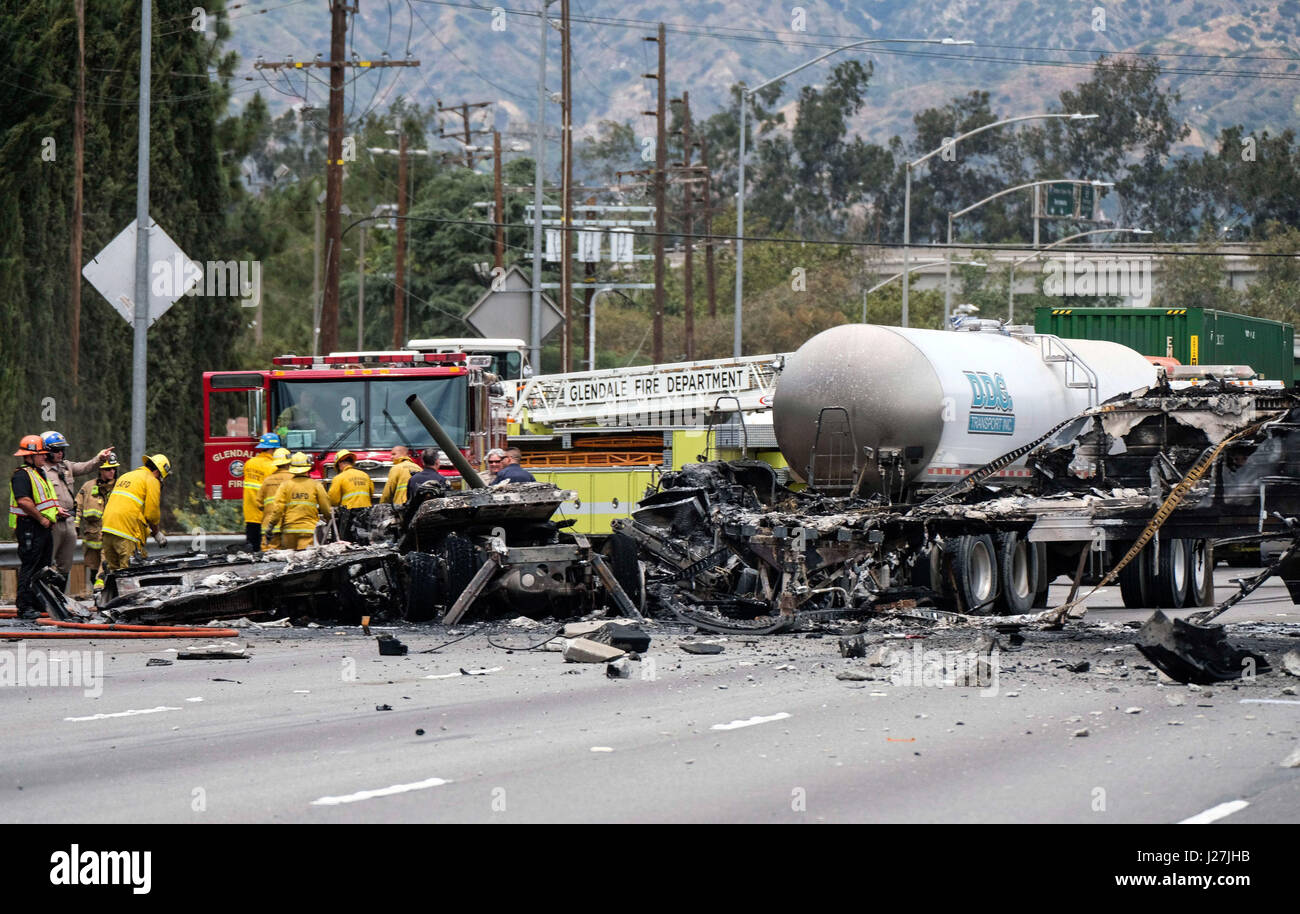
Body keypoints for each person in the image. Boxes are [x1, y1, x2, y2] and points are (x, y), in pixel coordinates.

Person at [40, 431, 112, 589]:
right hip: (52, 522)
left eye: (62, 450)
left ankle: (59, 601)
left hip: (68, 522)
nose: (60, 453)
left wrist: (99, 458)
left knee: (65, 565)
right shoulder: (40, 471)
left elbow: (86, 467)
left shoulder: (65, 466)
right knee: (45, 564)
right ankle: (41, 604)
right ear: (45, 451)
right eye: (56, 450)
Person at [9, 436, 58, 619]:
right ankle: (25, 606)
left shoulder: (39, 473)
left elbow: (44, 500)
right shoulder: (21, 475)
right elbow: (23, 501)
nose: (45, 457)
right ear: (30, 455)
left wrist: (55, 512)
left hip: (43, 528)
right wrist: (41, 519)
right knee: (30, 566)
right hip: (31, 527)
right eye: (42, 454)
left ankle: (39, 602)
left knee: (43, 567)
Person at [99, 453, 169, 577]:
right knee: (130, 575)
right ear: (159, 473)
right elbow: (151, 513)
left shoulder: (126, 476)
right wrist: (157, 533)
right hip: (127, 533)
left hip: (108, 529)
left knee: (113, 575)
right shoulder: (152, 480)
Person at [262, 452, 332, 550]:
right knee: (305, 561)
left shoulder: (285, 485)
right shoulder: (316, 485)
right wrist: (329, 519)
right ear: (308, 467)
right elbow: (326, 508)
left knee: (290, 560)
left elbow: (278, 509)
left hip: (289, 531)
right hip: (308, 531)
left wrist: (271, 526)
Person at [75, 451, 118, 592]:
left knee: (105, 568)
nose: (111, 472)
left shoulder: (120, 488)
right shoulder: (88, 487)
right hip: (92, 535)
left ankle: (101, 589)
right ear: (100, 470)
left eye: (113, 469)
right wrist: (75, 525)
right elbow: (77, 507)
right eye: (108, 469)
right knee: (93, 568)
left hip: (111, 534)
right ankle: (97, 591)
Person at [241, 432, 282, 551]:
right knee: (264, 549)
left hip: (250, 513)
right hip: (264, 514)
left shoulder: (249, 463)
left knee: (251, 548)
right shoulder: (272, 466)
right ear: (274, 449)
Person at [256, 448, 293, 550]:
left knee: (269, 556)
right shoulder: (294, 479)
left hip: (270, 526)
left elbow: (259, 503)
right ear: (289, 462)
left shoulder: (267, 480)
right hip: (290, 525)